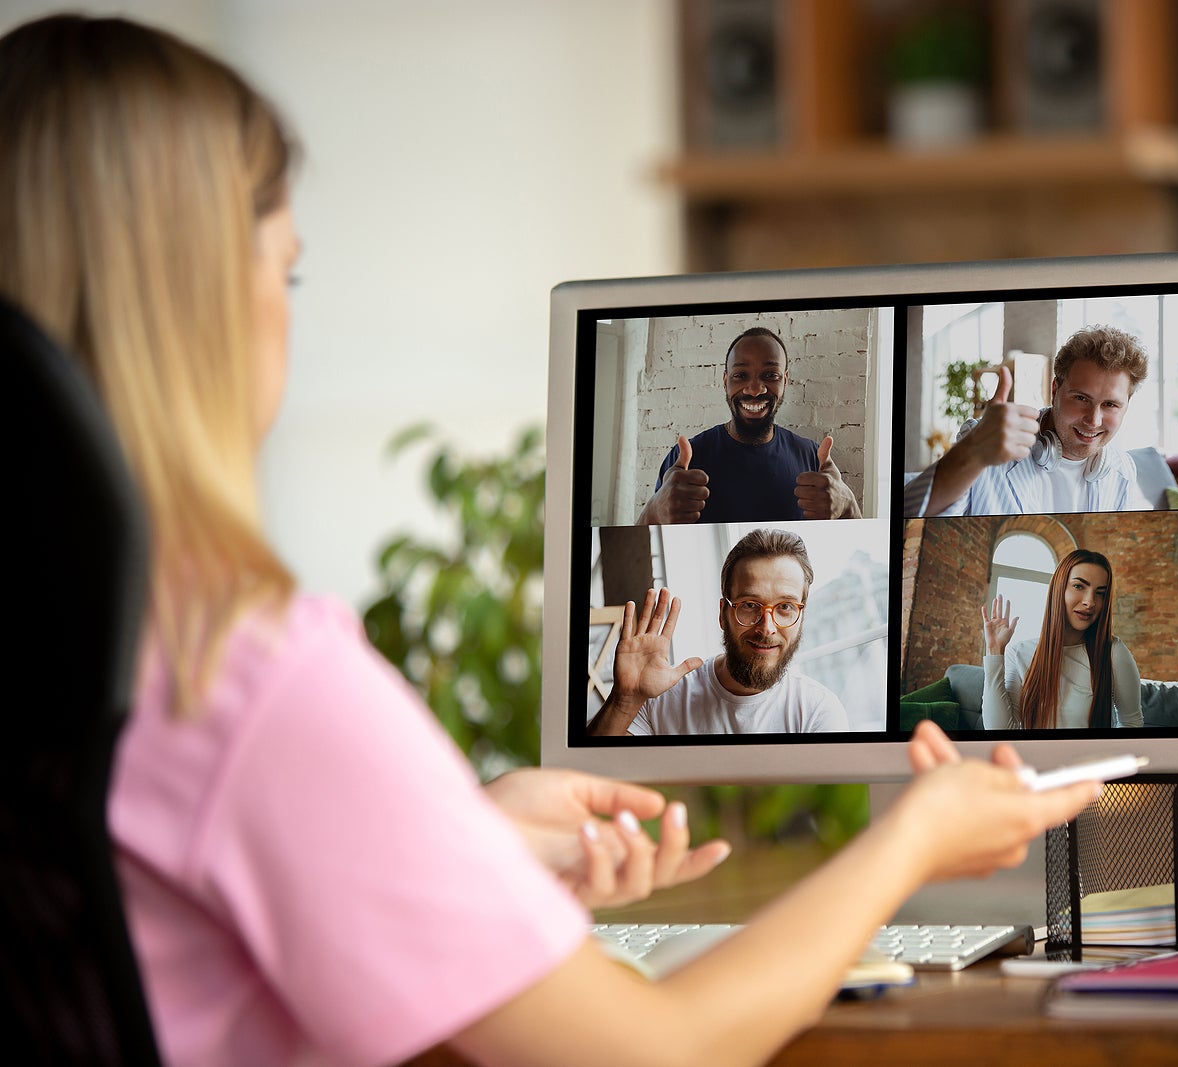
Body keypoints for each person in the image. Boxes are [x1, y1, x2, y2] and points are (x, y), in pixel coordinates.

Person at [0, 15, 1106, 1067]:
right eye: (283, 271)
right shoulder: (244, 676)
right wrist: (910, 845)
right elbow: (654, 1051)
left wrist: (447, 842)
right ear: (188, 308)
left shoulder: (90, 658)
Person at [586, 529, 850, 735]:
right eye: (749, 605)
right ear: (723, 613)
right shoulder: (659, 697)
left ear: (801, 616)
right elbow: (589, 775)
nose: (767, 627)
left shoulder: (819, 712)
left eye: (785, 607)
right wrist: (625, 699)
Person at [905, 326, 1152, 517]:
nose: (1093, 420)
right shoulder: (988, 442)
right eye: (1080, 398)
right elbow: (910, 520)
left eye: (1110, 405)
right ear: (1055, 390)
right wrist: (973, 453)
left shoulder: (1123, 470)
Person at [637, 326, 863, 524]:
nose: (755, 389)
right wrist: (654, 511)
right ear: (725, 381)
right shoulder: (684, 461)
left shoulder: (813, 456)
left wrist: (848, 505)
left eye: (770, 375)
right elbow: (640, 545)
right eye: (741, 375)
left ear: (785, 381)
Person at [980, 549, 1143, 730]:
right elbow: (999, 731)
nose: (1090, 602)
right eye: (1079, 586)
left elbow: (1131, 722)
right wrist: (994, 652)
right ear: (1059, 589)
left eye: (1100, 593)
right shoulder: (1019, 653)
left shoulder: (1113, 652)